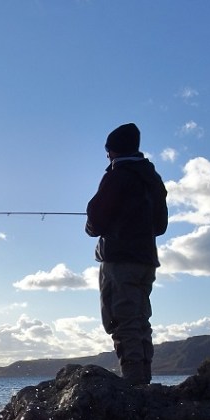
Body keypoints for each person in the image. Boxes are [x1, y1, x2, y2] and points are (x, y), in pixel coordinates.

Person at [85, 122, 168, 386]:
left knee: (122, 319)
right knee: (140, 319)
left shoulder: (117, 176)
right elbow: (161, 226)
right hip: (146, 261)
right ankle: (143, 378)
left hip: (120, 261)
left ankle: (134, 383)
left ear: (113, 151)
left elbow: (95, 221)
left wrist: (95, 224)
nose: (107, 157)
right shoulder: (152, 179)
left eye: (108, 152)